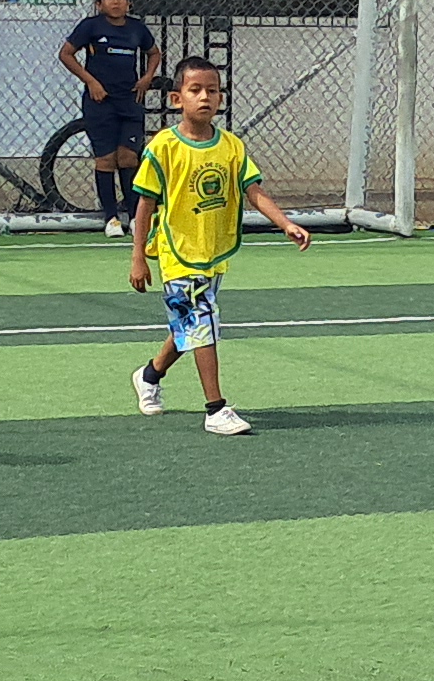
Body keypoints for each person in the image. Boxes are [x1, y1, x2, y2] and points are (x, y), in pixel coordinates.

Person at [128, 55, 310, 435]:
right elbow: (145, 204)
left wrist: (285, 223)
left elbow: (253, 190)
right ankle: (215, 408)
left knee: (191, 325)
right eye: (195, 90)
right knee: (202, 323)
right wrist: (138, 258)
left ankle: (150, 375)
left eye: (212, 90)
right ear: (177, 99)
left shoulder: (231, 146)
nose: (204, 97)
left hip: (212, 251)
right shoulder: (163, 147)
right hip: (178, 253)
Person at [57, 0, 166, 227]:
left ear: (128, 2)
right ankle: (111, 218)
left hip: (130, 101)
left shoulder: (137, 28)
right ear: (99, 4)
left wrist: (147, 77)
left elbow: (154, 53)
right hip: (100, 102)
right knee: (106, 159)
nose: (115, 2)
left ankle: (136, 217)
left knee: (128, 158)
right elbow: (66, 54)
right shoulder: (91, 27)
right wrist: (91, 82)